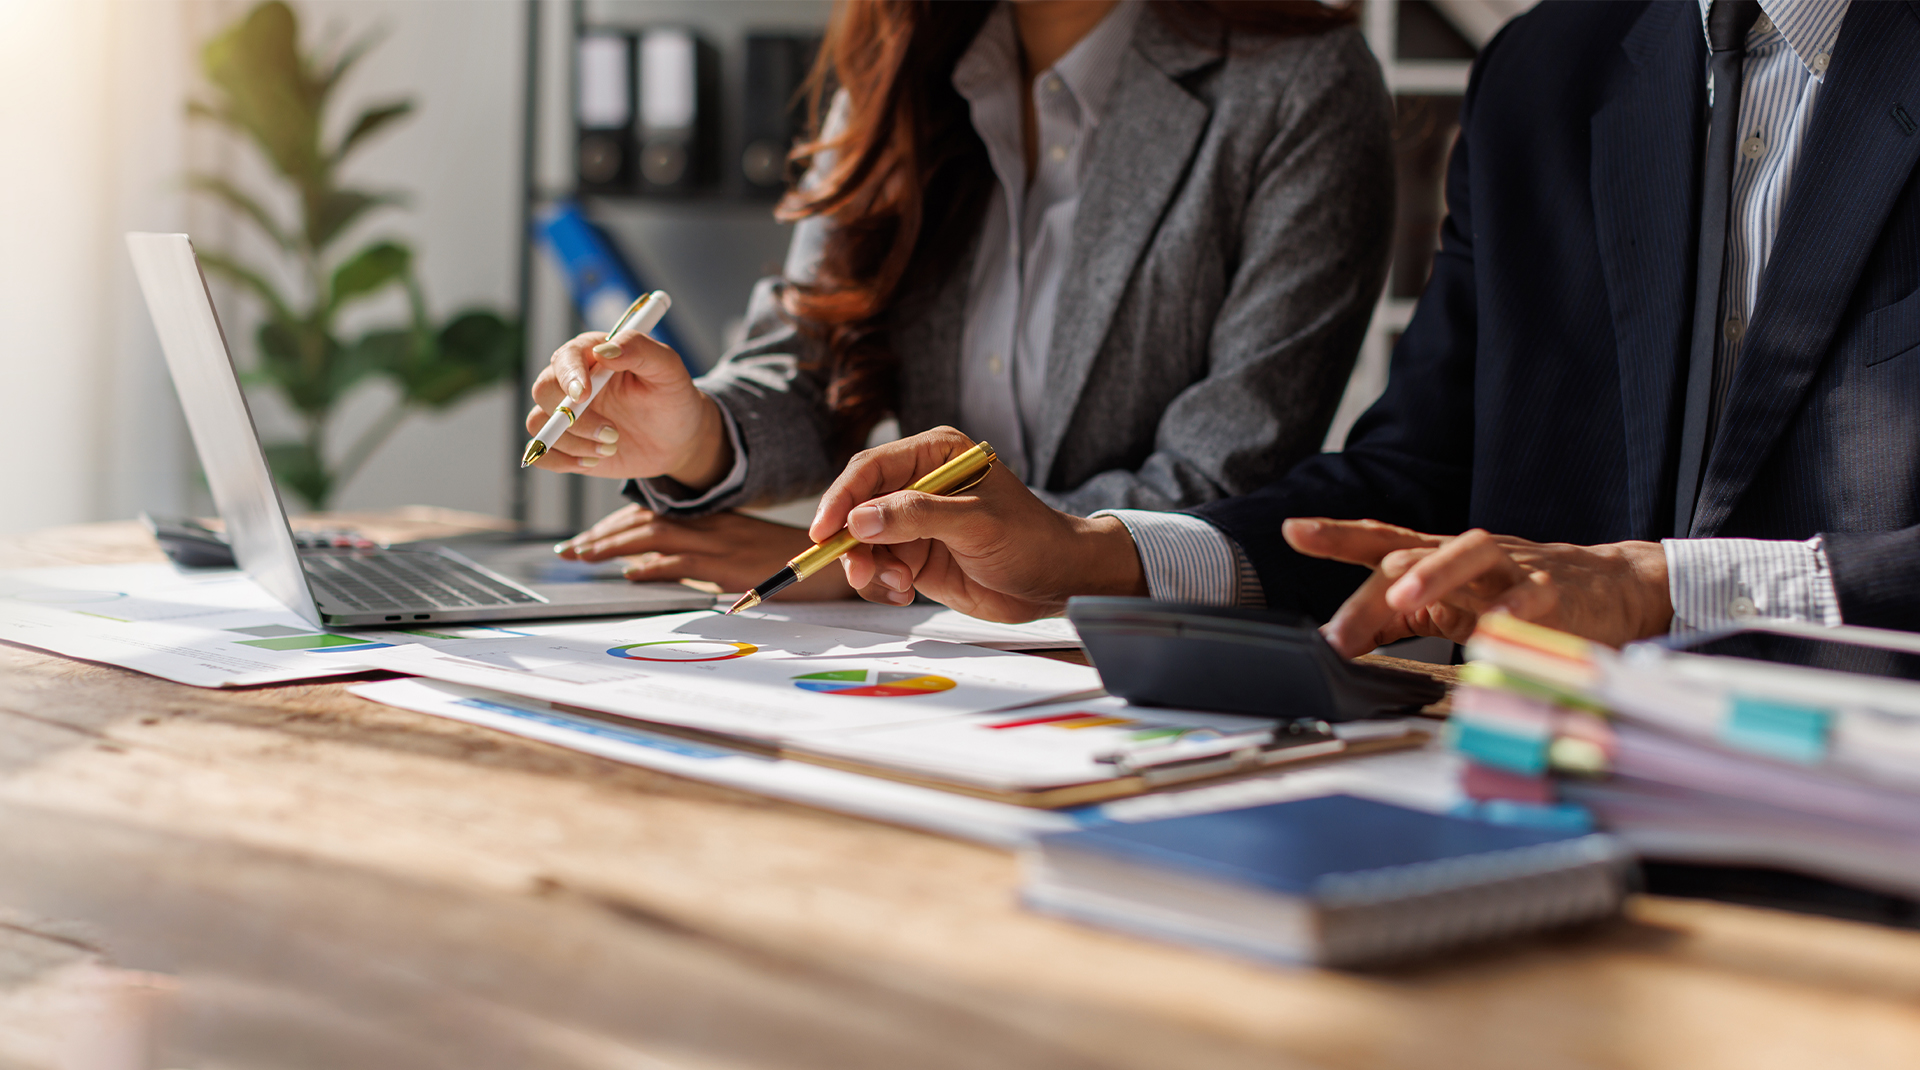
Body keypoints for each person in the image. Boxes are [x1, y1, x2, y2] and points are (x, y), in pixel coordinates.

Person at [804, 0, 1920, 650]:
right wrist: (1088, 554)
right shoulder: (1547, 75)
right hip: (1534, 797)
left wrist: (1676, 586)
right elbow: (1413, 479)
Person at [524, 0, 1393, 599]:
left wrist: (866, 562)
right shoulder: (903, 61)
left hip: (1139, 669)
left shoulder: (1299, 85)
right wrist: (695, 434)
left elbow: (1219, 484)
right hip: (938, 666)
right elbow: (810, 362)